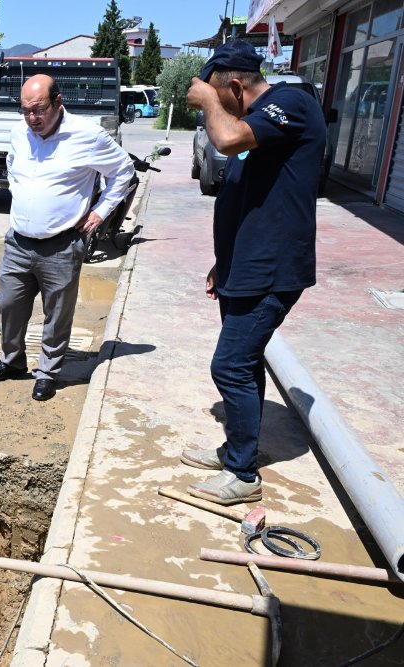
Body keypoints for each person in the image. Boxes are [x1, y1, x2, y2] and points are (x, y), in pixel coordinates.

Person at [182, 40, 325, 505]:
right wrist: (223, 260)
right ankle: (236, 450)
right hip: (244, 266)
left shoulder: (290, 103)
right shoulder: (261, 124)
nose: (212, 110)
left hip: (273, 270)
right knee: (246, 364)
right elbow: (250, 196)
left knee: (230, 365)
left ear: (236, 87)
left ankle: (243, 476)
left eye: (219, 100)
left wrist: (207, 101)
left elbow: (226, 139)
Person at [0, 74, 133, 401]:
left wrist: (100, 212)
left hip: (62, 244)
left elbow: (123, 172)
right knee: (9, 305)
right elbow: (12, 167)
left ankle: (48, 373)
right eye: (25, 111)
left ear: (58, 102)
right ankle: (12, 361)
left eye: (39, 110)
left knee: (57, 313)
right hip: (18, 241)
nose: (32, 119)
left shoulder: (87, 136)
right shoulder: (19, 133)